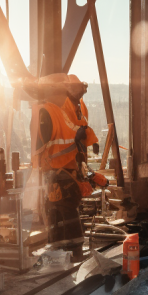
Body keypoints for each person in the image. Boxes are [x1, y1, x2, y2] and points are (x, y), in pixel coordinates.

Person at [29, 74, 90, 261]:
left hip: (57, 170)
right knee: (62, 211)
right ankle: (65, 252)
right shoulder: (73, 108)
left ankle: (65, 252)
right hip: (67, 169)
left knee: (60, 211)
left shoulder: (49, 110)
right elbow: (76, 135)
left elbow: (41, 144)